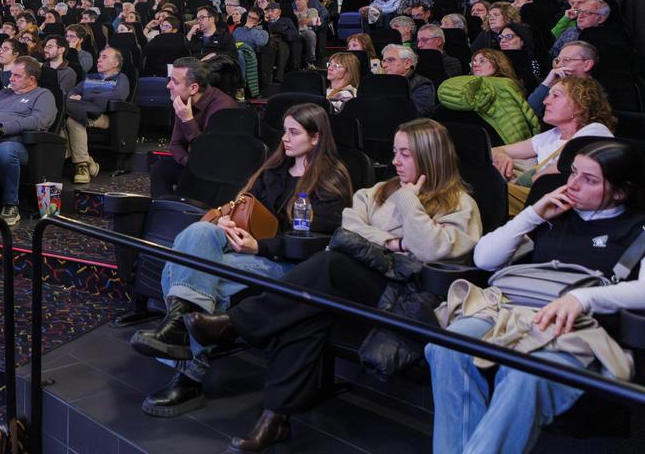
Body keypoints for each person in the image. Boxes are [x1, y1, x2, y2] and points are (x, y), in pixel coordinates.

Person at [184, 119, 481, 450]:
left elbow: (431, 249)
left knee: (330, 264)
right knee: (307, 311)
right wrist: (395, 243)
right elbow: (348, 229)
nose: (395, 161)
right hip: (356, 287)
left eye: (405, 154)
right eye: (395, 152)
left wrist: (410, 204)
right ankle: (274, 419)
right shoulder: (378, 191)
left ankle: (236, 323)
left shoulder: (460, 204)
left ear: (430, 157)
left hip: (403, 297)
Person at [129, 103, 353, 417]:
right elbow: (244, 205)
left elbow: (317, 241)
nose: (285, 139)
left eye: (294, 132)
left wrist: (259, 247)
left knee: (194, 275)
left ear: (315, 138)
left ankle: (188, 371)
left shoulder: (331, 180)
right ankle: (179, 328)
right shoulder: (274, 168)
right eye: (284, 131)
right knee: (199, 232)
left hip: (286, 262)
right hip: (245, 244)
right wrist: (226, 221)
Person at [426, 140, 645, 454]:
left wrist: (582, 299)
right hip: (510, 312)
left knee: (523, 373)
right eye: (573, 173)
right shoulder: (553, 213)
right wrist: (533, 213)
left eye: (589, 180)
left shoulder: (636, 231)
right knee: (446, 346)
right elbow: (484, 259)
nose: (573, 184)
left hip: (574, 329)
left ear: (620, 192)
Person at [491, 76, 616, 213]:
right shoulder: (551, 135)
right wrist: (501, 156)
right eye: (548, 95)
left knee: (487, 191)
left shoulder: (596, 131)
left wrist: (523, 180)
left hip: (567, 205)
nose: (545, 101)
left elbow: (561, 168)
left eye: (555, 96)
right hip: (538, 197)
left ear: (580, 106)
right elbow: (493, 150)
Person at [0, 56, 58, 227]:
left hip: (24, 146)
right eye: (11, 74)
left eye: (17, 76)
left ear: (31, 79)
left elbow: (37, 121)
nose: (11, 78)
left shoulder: (43, 95)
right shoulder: (4, 93)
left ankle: (11, 205)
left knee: (6, 150)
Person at [150, 57, 237, 197]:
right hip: (195, 163)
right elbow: (176, 144)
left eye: (175, 82)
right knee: (161, 168)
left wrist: (188, 120)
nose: (168, 86)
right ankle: (162, 207)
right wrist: (190, 164)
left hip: (220, 171)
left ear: (193, 88)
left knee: (189, 183)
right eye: (169, 80)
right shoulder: (183, 100)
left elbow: (209, 154)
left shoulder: (223, 108)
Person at [64, 47, 131, 184]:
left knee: (73, 120)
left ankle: (82, 166)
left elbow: (118, 95)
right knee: (69, 121)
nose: (99, 60)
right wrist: (74, 97)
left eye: (104, 57)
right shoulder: (91, 77)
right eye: (99, 57)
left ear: (115, 63)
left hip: (104, 116)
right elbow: (73, 92)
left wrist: (84, 98)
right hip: (83, 112)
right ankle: (86, 163)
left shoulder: (121, 78)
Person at [526, 41, 596, 119]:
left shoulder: (593, 96)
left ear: (587, 65)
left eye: (566, 59)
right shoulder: (556, 87)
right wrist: (547, 83)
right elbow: (529, 113)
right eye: (558, 60)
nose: (559, 65)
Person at [381, 45, 435, 116]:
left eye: (391, 60)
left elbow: (417, 112)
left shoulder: (423, 84)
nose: (385, 65)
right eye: (384, 61)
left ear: (407, 63)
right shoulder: (381, 82)